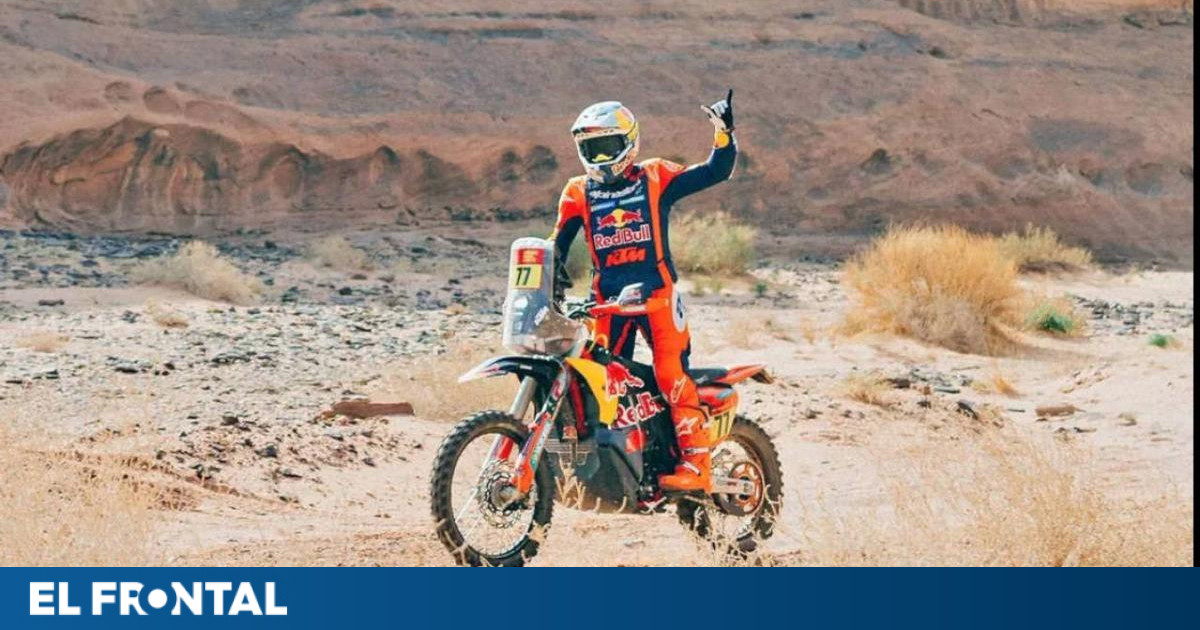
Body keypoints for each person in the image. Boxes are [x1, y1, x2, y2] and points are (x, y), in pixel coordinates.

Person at [550, 90, 737, 492]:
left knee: (670, 376)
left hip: (657, 300)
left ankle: (696, 465)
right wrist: (539, 282)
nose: (601, 158)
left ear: (629, 143)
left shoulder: (655, 176)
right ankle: (610, 464)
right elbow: (556, 249)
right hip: (606, 305)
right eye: (593, 149)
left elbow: (714, 172)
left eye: (608, 147)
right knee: (599, 381)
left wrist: (723, 135)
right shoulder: (577, 192)